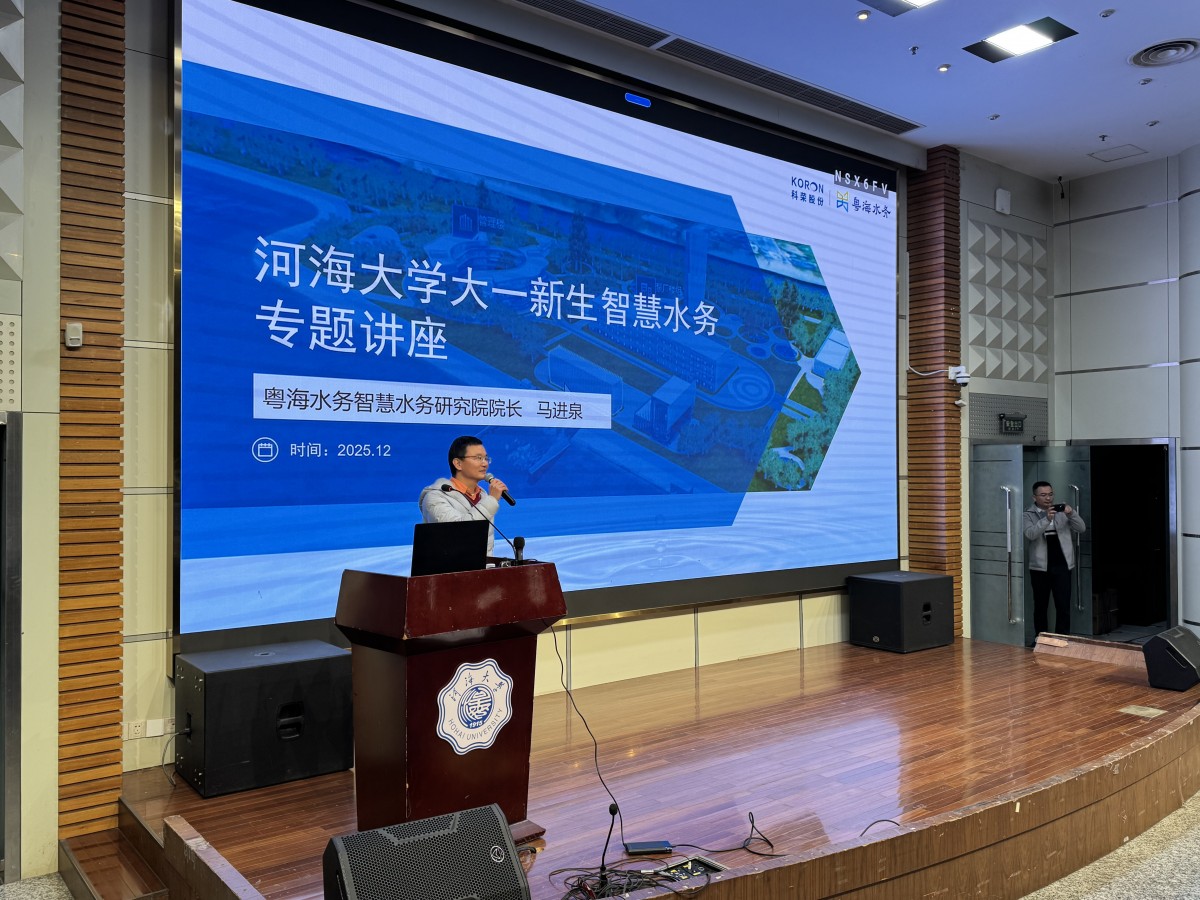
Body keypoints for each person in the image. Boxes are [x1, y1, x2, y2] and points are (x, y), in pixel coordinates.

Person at [418, 435, 509, 556]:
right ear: (458, 464)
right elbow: (459, 534)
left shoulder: (483, 496)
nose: (485, 464)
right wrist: (492, 500)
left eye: (486, 458)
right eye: (478, 458)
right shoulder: (435, 497)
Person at [1022, 481, 1086, 638]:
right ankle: (1041, 640)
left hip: (1062, 565)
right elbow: (1030, 534)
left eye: (1050, 494)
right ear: (1034, 497)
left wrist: (1071, 513)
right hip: (1040, 568)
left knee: (1063, 606)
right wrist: (1046, 519)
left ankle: (1062, 639)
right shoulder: (1028, 514)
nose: (1048, 498)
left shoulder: (1061, 511)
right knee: (1041, 606)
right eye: (1043, 495)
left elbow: (1081, 528)